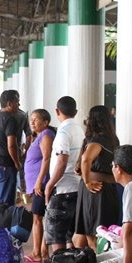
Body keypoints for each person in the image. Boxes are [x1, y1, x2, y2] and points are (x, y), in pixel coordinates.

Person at [73, 105, 121, 249]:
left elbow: (86, 159)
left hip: (96, 189)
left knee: (94, 235)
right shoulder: (112, 139)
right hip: (105, 187)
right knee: (97, 233)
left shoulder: (98, 139)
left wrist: (87, 181)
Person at [43, 96, 83, 254]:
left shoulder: (63, 132)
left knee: (56, 235)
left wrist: (50, 184)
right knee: (69, 235)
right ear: (76, 112)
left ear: (57, 111)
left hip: (63, 190)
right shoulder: (79, 130)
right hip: (76, 186)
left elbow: (62, 161)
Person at [22, 108, 55, 263]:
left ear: (46, 122)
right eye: (31, 119)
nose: (32, 122)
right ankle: (41, 250)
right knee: (38, 217)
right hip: (36, 185)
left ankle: (37, 253)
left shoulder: (46, 135)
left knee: (37, 217)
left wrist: (38, 182)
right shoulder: (39, 136)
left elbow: (47, 159)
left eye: (36, 119)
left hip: (40, 185)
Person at [0, 89, 26, 204]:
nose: (19, 105)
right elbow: (11, 145)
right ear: (9, 103)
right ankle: (2, 222)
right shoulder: (10, 119)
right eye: (17, 102)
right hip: (5, 166)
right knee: (5, 202)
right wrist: (17, 162)